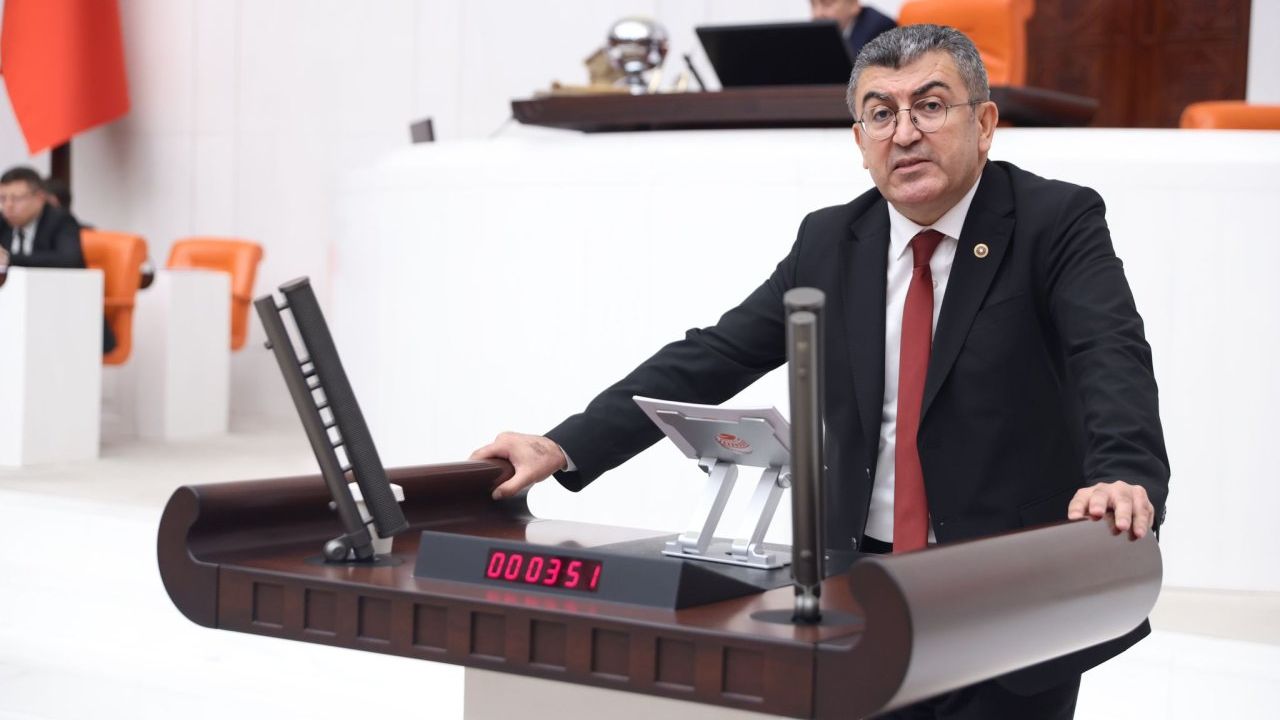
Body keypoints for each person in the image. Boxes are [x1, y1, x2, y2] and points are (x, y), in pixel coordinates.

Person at [473, 25, 1168, 719]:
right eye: (881, 113)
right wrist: (563, 444)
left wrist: (1124, 474)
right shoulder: (832, 241)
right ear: (860, 141)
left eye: (930, 106)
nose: (905, 134)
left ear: (984, 124)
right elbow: (713, 356)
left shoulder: (1055, 220)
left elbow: (1110, 354)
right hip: (859, 583)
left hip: (1006, 585)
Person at [0, 166, 116, 354]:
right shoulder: (3, 223)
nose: (8, 206)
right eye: (3, 198)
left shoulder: (61, 220)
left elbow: (67, 260)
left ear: (39, 198)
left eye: (16, 198)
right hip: (16, 315)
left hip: (67, 315)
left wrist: (9, 259)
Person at [811, 0, 897, 59]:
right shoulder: (817, 33)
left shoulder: (880, 27)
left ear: (853, 5)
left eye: (827, 4)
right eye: (813, 4)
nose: (818, 14)